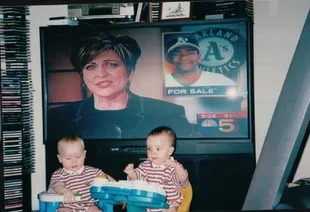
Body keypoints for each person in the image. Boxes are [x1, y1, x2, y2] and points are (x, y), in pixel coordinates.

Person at [47, 32, 195, 140]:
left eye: (111, 65)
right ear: (83, 75)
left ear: (130, 71)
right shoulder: (58, 118)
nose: (101, 74)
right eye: (91, 67)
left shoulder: (168, 113)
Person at [124, 126, 189, 212]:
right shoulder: (145, 165)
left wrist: (178, 168)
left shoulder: (173, 166)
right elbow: (137, 179)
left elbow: (183, 180)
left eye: (158, 149)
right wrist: (131, 173)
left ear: (170, 151)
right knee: (135, 205)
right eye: (149, 148)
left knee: (172, 208)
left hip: (168, 203)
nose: (153, 152)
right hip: (148, 202)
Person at [48, 136, 116, 212]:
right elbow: (58, 186)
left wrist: (118, 191)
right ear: (60, 158)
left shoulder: (92, 172)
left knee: (95, 210)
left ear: (84, 154)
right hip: (67, 206)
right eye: (68, 158)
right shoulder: (59, 174)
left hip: (89, 206)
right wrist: (64, 191)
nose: (74, 161)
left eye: (78, 157)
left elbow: (106, 177)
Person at [164, 35, 236, 87]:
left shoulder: (220, 81)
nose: (184, 57)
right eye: (177, 53)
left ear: (199, 56)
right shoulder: (162, 82)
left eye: (190, 53)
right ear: (170, 58)